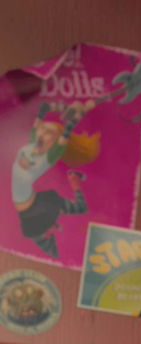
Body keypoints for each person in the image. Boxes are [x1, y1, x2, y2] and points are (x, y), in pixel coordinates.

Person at [11, 100, 93, 260]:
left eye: (49, 132)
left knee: (79, 208)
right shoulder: (31, 143)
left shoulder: (47, 158)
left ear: (54, 143)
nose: (43, 132)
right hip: (31, 207)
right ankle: (50, 226)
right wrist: (63, 108)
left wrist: (82, 112)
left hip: (36, 208)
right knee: (46, 246)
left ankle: (74, 182)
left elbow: (67, 130)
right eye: (43, 128)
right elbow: (43, 108)